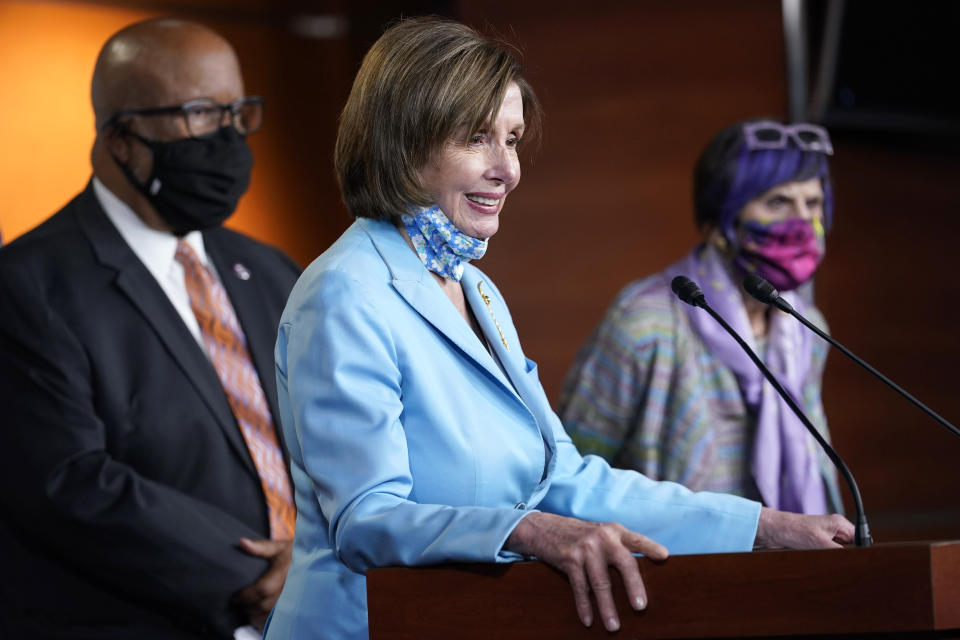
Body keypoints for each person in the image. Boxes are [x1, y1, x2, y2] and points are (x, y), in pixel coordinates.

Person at [264, 20, 853, 640]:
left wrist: (761, 527)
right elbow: (366, 519)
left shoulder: (475, 288)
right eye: (477, 139)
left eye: (512, 140)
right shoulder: (345, 292)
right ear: (402, 142)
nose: (508, 170)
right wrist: (525, 529)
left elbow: (566, 482)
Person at [0, 18, 299, 639]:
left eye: (238, 111)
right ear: (121, 139)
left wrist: (322, 560)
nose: (228, 135)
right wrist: (272, 576)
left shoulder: (270, 271)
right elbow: (71, 483)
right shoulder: (27, 285)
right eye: (198, 112)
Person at [560, 119, 842, 515]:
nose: (801, 223)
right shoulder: (645, 322)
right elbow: (569, 472)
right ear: (718, 223)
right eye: (778, 202)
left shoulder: (806, 328)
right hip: (672, 562)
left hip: (777, 564)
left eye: (811, 204)